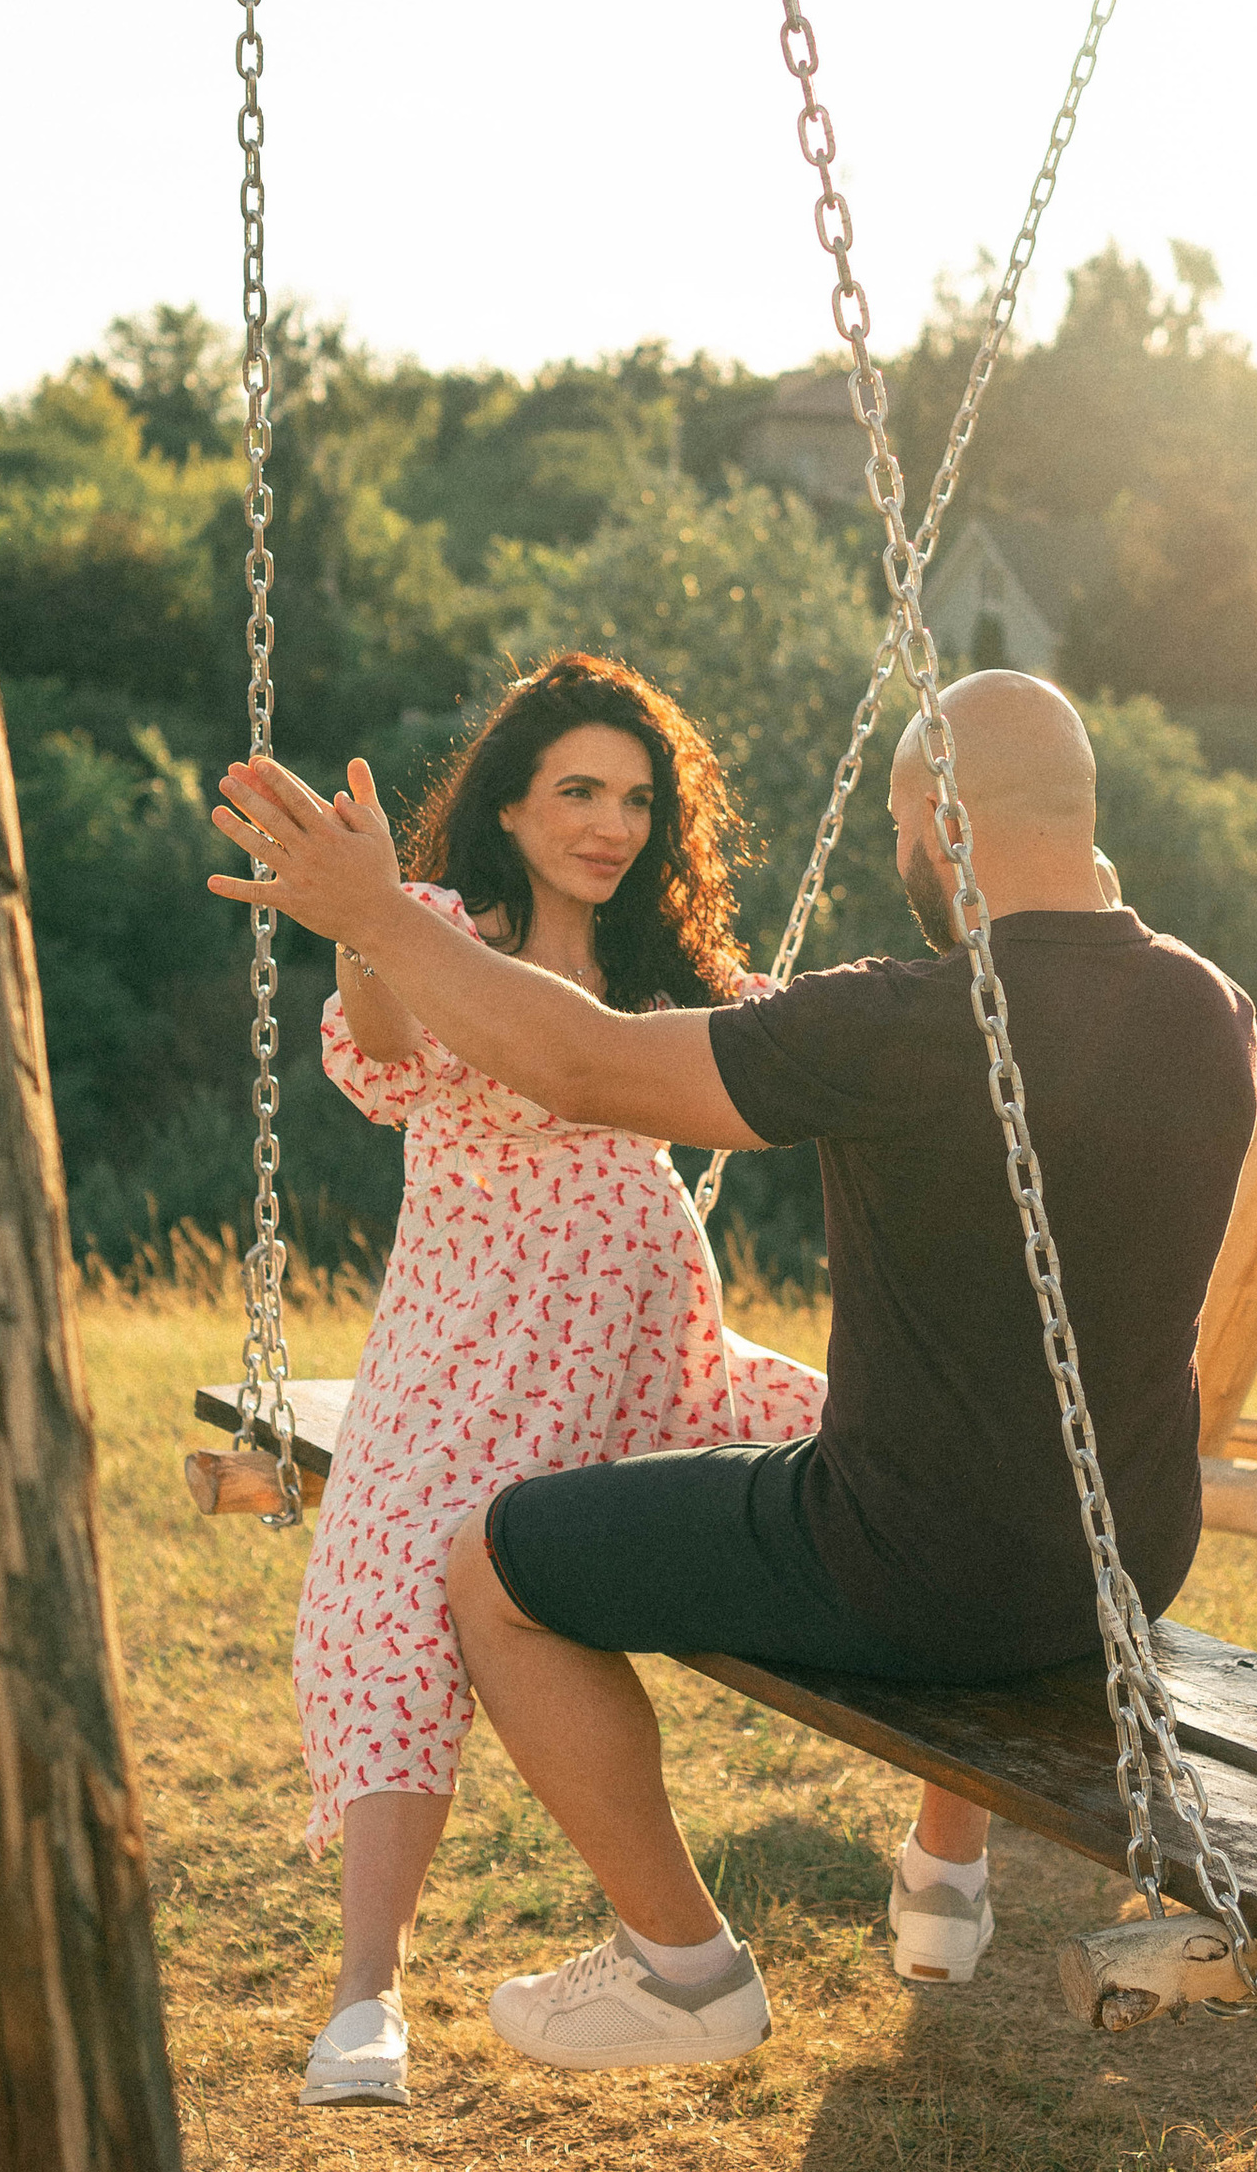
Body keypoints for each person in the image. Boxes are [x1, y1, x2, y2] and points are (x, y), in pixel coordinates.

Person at [208, 671, 1257, 2076]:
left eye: (903, 829)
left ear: (942, 824)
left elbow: (587, 1068)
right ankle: (942, 1874)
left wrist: (376, 915)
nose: (900, 858)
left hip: (907, 1562)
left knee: (492, 1565)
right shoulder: (1209, 1008)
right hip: (1123, 1563)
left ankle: (683, 1972)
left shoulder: (896, 1026)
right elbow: (1073, 946)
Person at [263, 653, 822, 2106]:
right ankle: (368, 1994)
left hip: (651, 1357)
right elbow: (382, 1048)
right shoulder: (439, 932)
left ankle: (948, 1864)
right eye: (579, 790)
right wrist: (363, 920)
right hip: (472, 1351)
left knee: (878, 1449)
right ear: (508, 806)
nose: (611, 825)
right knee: (392, 1587)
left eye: (637, 800)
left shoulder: (666, 965)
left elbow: (789, 1050)